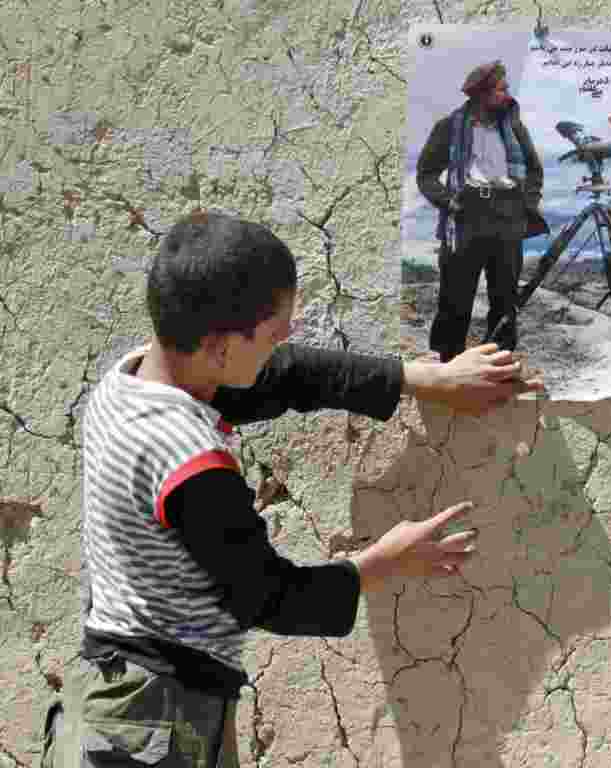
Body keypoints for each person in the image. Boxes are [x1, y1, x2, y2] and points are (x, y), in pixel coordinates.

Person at [39, 211, 542, 766]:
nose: (287, 339)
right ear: (219, 347)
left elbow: (289, 374)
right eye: (275, 331)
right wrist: (387, 560)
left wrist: (426, 378)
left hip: (123, 698)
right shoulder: (190, 461)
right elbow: (267, 596)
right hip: (152, 725)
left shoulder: (135, 377)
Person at [416, 59, 548, 362]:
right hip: (465, 215)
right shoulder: (450, 126)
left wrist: (527, 203)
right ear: (482, 93)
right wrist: (448, 202)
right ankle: (449, 363)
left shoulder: (514, 127)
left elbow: (533, 170)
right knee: (455, 298)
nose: (507, 95)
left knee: (505, 300)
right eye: (501, 89)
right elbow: (425, 174)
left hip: (507, 216)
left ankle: (498, 362)